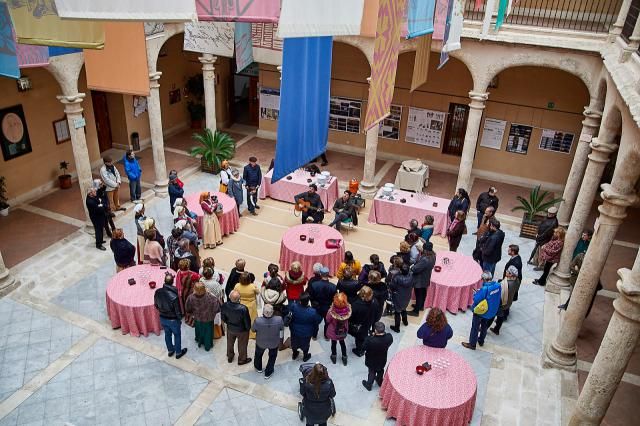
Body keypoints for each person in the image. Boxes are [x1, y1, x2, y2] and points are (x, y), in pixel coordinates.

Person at [462, 272, 502, 350]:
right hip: (491, 311)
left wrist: (475, 294)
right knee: (484, 326)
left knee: (475, 327)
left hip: (481, 311)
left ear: (484, 279)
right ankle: (481, 341)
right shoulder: (498, 285)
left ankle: (472, 344)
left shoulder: (484, 289)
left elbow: (476, 299)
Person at [154, 273, 188, 359]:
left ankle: (170, 350)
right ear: (172, 282)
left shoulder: (157, 292)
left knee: (167, 334)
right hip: (173, 320)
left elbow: (156, 305)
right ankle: (178, 352)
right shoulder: (174, 296)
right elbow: (178, 311)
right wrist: (179, 319)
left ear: (164, 281)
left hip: (162, 318)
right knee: (177, 335)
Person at [252, 304, 284, 379]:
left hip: (261, 342)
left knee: (258, 355)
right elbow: (281, 330)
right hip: (274, 342)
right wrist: (281, 340)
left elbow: (253, 330)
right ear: (272, 312)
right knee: (272, 357)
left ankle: (258, 368)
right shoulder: (279, 319)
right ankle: (268, 372)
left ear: (263, 312)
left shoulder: (258, 320)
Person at [186, 282, 220, 351]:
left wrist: (192, 313)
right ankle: (207, 346)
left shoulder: (191, 297)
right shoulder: (211, 298)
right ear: (204, 289)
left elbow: (188, 309)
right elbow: (217, 308)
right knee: (208, 332)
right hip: (208, 319)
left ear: (194, 289)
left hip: (197, 318)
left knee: (199, 329)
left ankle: (199, 341)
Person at [222, 290, 252, 365]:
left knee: (230, 343)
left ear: (229, 297)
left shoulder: (225, 305)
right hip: (242, 331)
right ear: (239, 299)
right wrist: (248, 329)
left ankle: (230, 356)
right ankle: (242, 360)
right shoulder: (243, 308)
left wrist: (228, 323)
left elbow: (223, 318)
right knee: (242, 345)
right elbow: (247, 322)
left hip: (230, 328)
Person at [289, 292, 322, 362]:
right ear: (308, 301)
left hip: (294, 330)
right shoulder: (312, 311)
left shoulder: (294, 306)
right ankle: (305, 356)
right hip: (306, 333)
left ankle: (294, 354)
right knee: (305, 345)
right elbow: (317, 321)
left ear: (300, 300)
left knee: (294, 343)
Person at [361, 322, 393, 391]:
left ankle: (369, 385)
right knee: (380, 370)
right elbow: (389, 342)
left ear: (375, 330)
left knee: (372, 371)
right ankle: (379, 381)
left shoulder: (369, 340)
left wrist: (372, 336)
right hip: (382, 359)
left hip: (371, 360)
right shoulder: (389, 337)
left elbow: (363, 348)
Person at [307, 266, 336, 339]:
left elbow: (311, 297)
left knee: (315, 322)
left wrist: (313, 304)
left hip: (317, 307)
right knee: (327, 322)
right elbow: (334, 299)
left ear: (320, 273)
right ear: (328, 274)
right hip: (328, 308)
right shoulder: (333, 287)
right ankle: (326, 336)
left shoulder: (314, 285)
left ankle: (314, 336)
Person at [490, 266, 521, 335]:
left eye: (507, 271)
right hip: (508, 302)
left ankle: (485, 327)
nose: (506, 271)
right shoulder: (517, 281)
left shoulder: (505, 284)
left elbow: (499, 295)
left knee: (491, 316)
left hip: (501, 303)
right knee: (501, 316)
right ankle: (497, 329)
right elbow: (516, 290)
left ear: (510, 274)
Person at [409, 241, 436, 316]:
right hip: (426, 277)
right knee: (423, 293)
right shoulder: (433, 255)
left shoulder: (425, 259)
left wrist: (412, 267)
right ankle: (420, 306)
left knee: (418, 295)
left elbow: (416, 269)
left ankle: (416, 311)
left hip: (419, 279)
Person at [350, 286, 378, 356]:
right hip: (369, 322)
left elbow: (352, 316)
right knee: (364, 335)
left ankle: (360, 351)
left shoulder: (356, 305)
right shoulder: (375, 301)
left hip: (360, 325)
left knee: (359, 339)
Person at [326, 292, 352, 365]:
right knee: (342, 343)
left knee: (333, 343)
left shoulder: (331, 312)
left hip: (333, 331)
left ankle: (334, 357)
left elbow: (327, 320)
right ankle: (344, 358)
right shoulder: (348, 311)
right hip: (343, 330)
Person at [233, 272, 260, 339]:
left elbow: (234, 293)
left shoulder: (237, 286)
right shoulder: (253, 286)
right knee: (252, 320)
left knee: (241, 320)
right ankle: (252, 334)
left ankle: (241, 332)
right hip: (251, 305)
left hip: (241, 304)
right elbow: (258, 292)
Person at [389, 263, 413, 333]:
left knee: (397, 312)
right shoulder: (411, 276)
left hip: (398, 296)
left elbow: (392, 287)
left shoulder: (396, 277)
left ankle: (397, 328)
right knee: (404, 309)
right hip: (407, 296)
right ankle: (405, 322)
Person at [175, 258, 200, 326]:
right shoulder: (193, 275)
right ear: (188, 267)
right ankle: (190, 320)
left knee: (185, 304)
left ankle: (185, 314)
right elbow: (200, 278)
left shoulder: (179, 272)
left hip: (182, 291)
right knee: (191, 306)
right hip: (190, 292)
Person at [85, 186, 107, 251]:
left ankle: (101, 240)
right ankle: (98, 244)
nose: (96, 192)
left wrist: (100, 204)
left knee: (101, 228)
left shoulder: (93, 196)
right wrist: (102, 205)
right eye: (94, 192)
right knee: (98, 230)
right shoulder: (90, 201)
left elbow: (99, 201)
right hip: (96, 217)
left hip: (99, 215)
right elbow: (99, 209)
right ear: (90, 193)